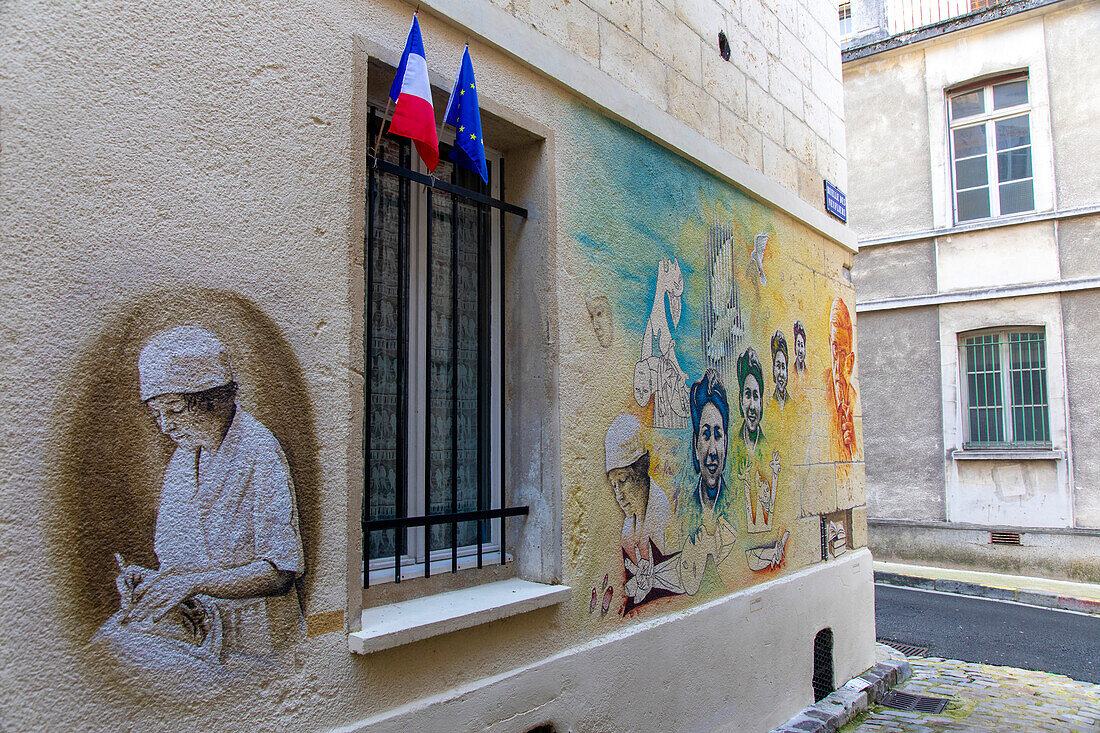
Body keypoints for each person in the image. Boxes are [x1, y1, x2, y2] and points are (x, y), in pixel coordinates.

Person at [97, 326, 304, 669]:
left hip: (257, 642)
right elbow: (185, 558)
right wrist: (154, 583)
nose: (165, 427)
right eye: (157, 414)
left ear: (214, 400)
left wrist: (191, 583)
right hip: (200, 632)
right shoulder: (185, 457)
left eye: (175, 410)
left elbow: (280, 571)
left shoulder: (259, 450)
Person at [674, 369, 737, 596]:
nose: (712, 450)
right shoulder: (682, 512)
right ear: (695, 445)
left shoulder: (734, 509)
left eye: (718, 435)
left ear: (726, 443)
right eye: (705, 434)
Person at [604, 414, 671, 555]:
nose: (619, 495)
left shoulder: (665, 517)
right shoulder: (628, 529)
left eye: (622, 481)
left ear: (641, 470)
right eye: (614, 485)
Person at [826, 299, 857, 461]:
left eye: (843, 352)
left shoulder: (853, 398)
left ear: (850, 361)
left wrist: (852, 444)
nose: (837, 361)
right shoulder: (822, 391)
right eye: (834, 348)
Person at [736, 348, 765, 451]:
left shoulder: (767, 446)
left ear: (761, 402)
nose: (752, 406)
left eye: (756, 396)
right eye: (748, 395)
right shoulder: (734, 446)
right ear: (741, 400)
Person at [771, 330, 790, 407]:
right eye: (778, 366)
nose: (781, 373)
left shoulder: (792, 405)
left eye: (783, 367)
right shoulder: (770, 405)